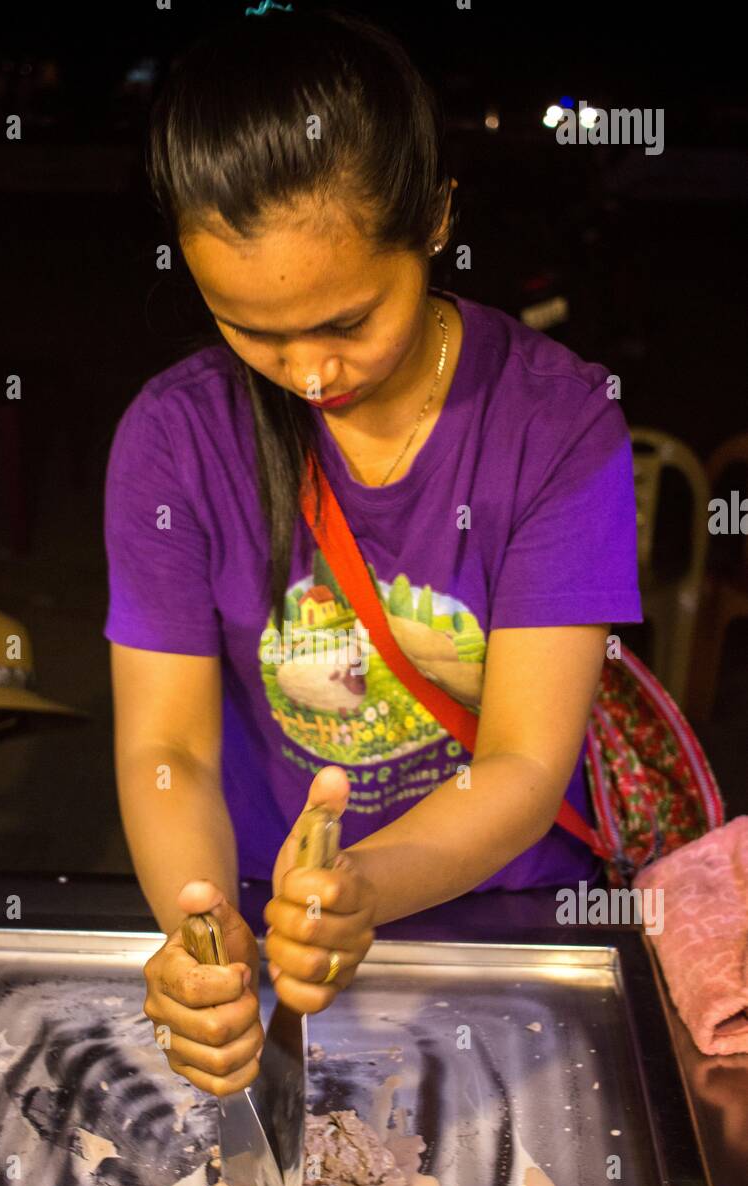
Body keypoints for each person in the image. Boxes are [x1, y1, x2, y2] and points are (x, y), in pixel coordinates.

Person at [103, 9, 642, 1096]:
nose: (306, 373)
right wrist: (203, 940)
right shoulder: (171, 440)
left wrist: (359, 888)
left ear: (434, 218)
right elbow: (172, 751)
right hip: (265, 906)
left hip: (506, 911)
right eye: (251, 329)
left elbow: (523, 766)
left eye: (348, 319)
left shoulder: (556, 422)